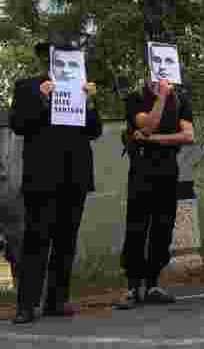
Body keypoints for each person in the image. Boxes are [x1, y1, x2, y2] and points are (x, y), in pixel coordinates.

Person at [9, 37, 101, 324]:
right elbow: (18, 124)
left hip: (76, 175)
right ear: (44, 60)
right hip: (42, 176)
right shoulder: (27, 87)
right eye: (55, 57)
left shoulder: (81, 88)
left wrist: (90, 102)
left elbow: (94, 130)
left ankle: (56, 300)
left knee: (66, 241)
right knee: (36, 240)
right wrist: (42, 98)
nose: (62, 63)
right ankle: (26, 305)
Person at [119, 74, 194, 308]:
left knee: (163, 226)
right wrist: (161, 97)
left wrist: (153, 139)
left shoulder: (180, 99)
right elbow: (147, 125)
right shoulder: (136, 98)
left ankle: (152, 284)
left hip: (168, 169)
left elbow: (188, 136)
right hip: (142, 169)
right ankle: (133, 287)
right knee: (137, 227)